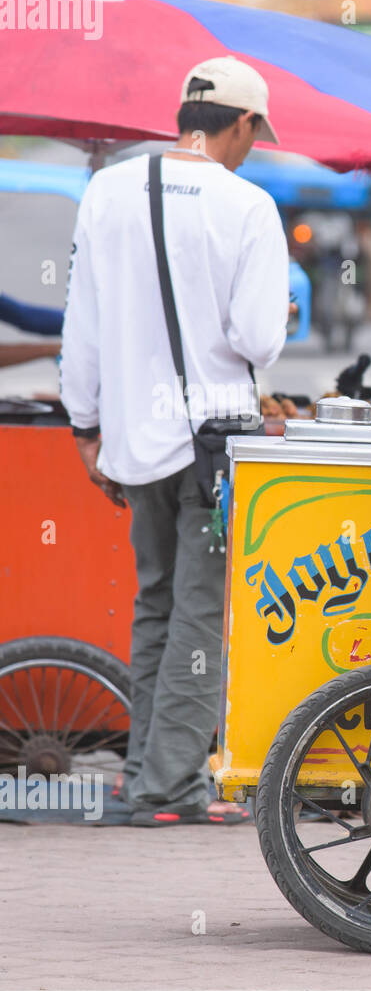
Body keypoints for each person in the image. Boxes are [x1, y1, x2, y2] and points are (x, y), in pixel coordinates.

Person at [60, 56, 291, 826]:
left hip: (131, 434)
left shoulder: (106, 190)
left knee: (155, 600)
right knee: (199, 612)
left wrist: (85, 424)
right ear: (243, 124)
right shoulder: (249, 206)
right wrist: (281, 321)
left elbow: (81, 325)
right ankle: (170, 788)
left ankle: (144, 774)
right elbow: (255, 335)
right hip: (212, 442)